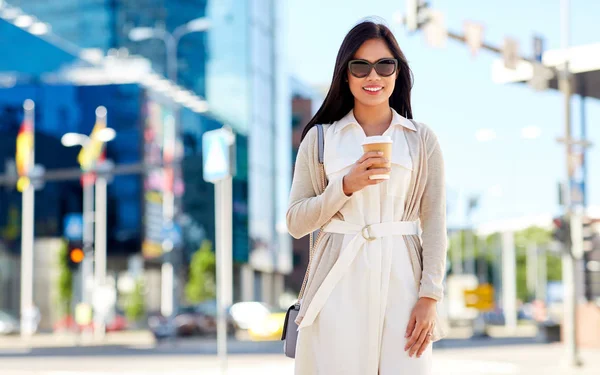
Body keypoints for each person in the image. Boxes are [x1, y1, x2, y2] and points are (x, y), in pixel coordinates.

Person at [286, 20, 447, 374]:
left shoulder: (420, 140)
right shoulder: (320, 139)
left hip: (403, 282)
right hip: (337, 284)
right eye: (360, 66)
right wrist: (344, 186)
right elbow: (296, 222)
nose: (372, 76)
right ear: (345, 75)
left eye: (384, 65)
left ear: (397, 72)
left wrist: (430, 296)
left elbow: (434, 222)